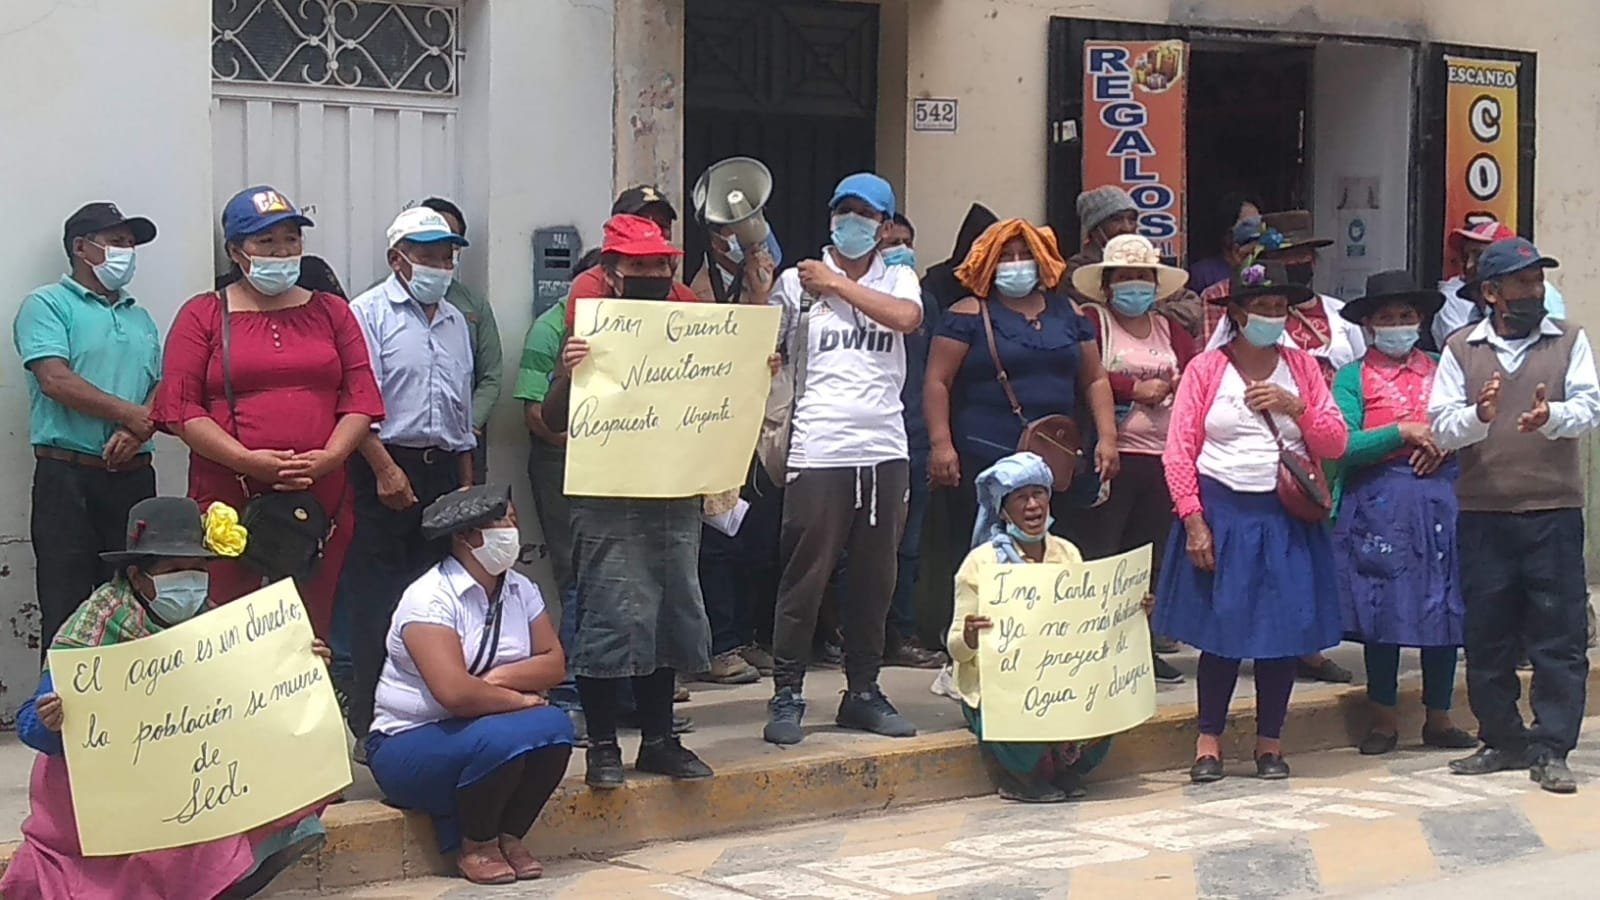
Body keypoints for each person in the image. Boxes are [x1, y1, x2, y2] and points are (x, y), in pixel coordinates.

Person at [1, 497, 329, 900]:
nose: (190, 582)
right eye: (175, 571)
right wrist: (49, 718)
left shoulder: (215, 624)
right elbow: (31, 727)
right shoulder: (95, 625)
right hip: (101, 786)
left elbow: (247, 696)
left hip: (186, 774)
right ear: (139, 577)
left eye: (197, 571)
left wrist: (299, 662)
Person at [542, 214, 732, 786]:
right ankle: (603, 746)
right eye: (637, 264)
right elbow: (550, 418)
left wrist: (751, 369)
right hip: (606, 495)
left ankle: (660, 740)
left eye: (658, 263)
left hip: (671, 494)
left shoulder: (694, 331)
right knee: (609, 615)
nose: (650, 272)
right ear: (612, 272)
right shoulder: (587, 332)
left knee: (670, 611)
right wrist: (572, 372)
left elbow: (723, 394)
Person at [156, 186, 383, 639]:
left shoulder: (333, 312)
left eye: (291, 239)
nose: (282, 251)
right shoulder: (203, 314)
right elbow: (180, 408)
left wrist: (331, 458)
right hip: (230, 498)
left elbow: (360, 396)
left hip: (322, 497)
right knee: (232, 627)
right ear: (236, 251)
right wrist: (247, 460)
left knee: (309, 627)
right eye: (266, 242)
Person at [1156, 261, 1348, 783]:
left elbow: (1334, 441)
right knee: (1221, 633)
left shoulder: (1303, 367)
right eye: (1262, 308)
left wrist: (1296, 406)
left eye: (1280, 309)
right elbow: (1179, 451)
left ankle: (1270, 743)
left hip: (1283, 514)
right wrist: (1194, 521)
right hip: (1224, 509)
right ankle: (1209, 742)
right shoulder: (1205, 369)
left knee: (1280, 634)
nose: (1273, 317)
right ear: (1237, 313)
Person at [1428, 237, 1600, 794]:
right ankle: (1501, 738)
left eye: (1537, 281)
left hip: (1551, 507)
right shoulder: (1460, 348)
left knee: (1558, 633)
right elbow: (1441, 425)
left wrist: (1552, 416)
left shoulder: (1569, 340)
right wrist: (1480, 416)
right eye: (1523, 283)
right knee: (1488, 631)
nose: (1535, 292)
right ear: (1491, 293)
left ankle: (1553, 746)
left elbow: (1590, 407)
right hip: (1483, 510)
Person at [762, 173, 925, 746]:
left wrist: (835, 283)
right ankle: (787, 693)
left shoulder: (898, 276)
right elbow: (767, 348)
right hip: (819, 445)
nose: (854, 222)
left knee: (875, 579)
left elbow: (906, 319)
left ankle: (863, 690)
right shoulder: (794, 283)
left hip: (883, 448)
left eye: (867, 214)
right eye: (845, 211)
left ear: (883, 227)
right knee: (805, 577)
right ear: (831, 216)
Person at [366, 486, 575, 884]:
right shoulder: (429, 598)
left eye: (513, 519)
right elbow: (456, 694)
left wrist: (497, 681)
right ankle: (476, 843)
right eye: (501, 522)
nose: (512, 528)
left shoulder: (520, 588)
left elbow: (554, 663)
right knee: (506, 737)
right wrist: (522, 701)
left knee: (557, 728)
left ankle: (508, 836)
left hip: (482, 725)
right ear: (464, 537)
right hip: (409, 741)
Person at [1202, 212, 1362, 685]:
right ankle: (1250, 646)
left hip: (1314, 448)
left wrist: (1308, 409)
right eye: (1288, 253)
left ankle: (1304, 646)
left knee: (1304, 560)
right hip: (1248, 467)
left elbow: (1348, 382)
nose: (1300, 260)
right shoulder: (1224, 350)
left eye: (1305, 253)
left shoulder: (1337, 314)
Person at [343, 206, 476, 754]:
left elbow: (461, 414)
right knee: (380, 599)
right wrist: (384, 468)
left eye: (447, 254)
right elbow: (357, 402)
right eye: (428, 254)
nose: (441, 264)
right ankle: (370, 722)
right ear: (398, 259)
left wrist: (467, 486)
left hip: (442, 468)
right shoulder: (366, 314)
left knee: (440, 598)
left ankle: (427, 708)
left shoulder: (456, 321)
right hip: (384, 464)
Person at [1329, 271, 1473, 756]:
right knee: (1381, 613)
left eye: (1407, 317)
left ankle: (1439, 716)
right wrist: (1402, 433)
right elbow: (1342, 443)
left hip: (1441, 500)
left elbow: (1466, 422)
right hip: (1378, 507)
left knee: (1444, 610)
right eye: (1387, 318)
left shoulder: (1441, 366)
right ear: (1368, 325)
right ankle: (1383, 718)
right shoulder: (1351, 377)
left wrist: (1443, 445)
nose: (1399, 325)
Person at [924, 218, 1120, 558]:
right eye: (1006, 256)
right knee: (984, 554)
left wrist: (1107, 438)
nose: (1017, 264)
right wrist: (941, 445)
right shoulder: (967, 314)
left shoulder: (1069, 313)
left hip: (1056, 461)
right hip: (984, 457)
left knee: (1055, 552)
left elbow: (1095, 378)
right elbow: (937, 382)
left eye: (1024, 255)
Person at [14, 202, 162, 654]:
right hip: (69, 478)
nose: (128, 252)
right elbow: (55, 379)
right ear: (82, 248)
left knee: (138, 604)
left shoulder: (141, 317)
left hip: (133, 477)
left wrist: (140, 429)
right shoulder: (46, 305)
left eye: (131, 244)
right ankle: (62, 722)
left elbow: (161, 385)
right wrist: (128, 415)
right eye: (117, 242)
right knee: (66, 602)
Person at [948, 453, 1115, 801]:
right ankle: (1021, 778)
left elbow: (1086, 621)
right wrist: (969, 635)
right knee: (1021, 730)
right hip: (999, 686)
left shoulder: (1067, 553)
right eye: (1021, 498)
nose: (1033, 505)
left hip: (1057, 679)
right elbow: (956, 649)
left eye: (1039, 494)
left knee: (1105, 716)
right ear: (1003, 510)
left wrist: (1130, 611)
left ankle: (1066, 771)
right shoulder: (981, 564)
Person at [1070, 234, 1197, 686]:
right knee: (1103, 553)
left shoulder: (1171, 331)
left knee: (1149, 558)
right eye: (1125, 277)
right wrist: (1131, 389)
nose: (1134, 286)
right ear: (1107, 284)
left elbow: (1197, 374)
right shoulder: (1092, 321)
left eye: (1143, 278)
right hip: (1113, 455)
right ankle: (1091, 646)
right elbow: (1084, 374)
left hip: (1163, 458)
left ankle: (1139, 644)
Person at [881, 213, 945, 670]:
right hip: (870, 440)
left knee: (909, 544)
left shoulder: (925, 304)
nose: (898, 249)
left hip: (916, 436)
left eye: (905, 241)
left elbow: (932, 373)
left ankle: (899, 633)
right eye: (889, 244)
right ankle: (852, 633)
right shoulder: (847, 301)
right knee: (861, 545)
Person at [421, 198, 503, 484]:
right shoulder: (374, 307)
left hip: (463, 441)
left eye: (451, 245)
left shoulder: (471, 305)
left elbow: (491, 375)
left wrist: (470, 424)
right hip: (403, 449)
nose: (442, 252)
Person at [1432, 220, 1567, 348]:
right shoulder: (1457, 297)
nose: (1469, 265)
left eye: (1479, 256)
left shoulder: (1568, 337)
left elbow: (1553, 342)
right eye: (1465, 257)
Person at [1187, 192, 1262, 294]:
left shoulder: (1263, 270)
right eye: (1247, 225)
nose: (1255, 230)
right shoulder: (1202, 274)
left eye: (1259, 223)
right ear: (1227, 231)